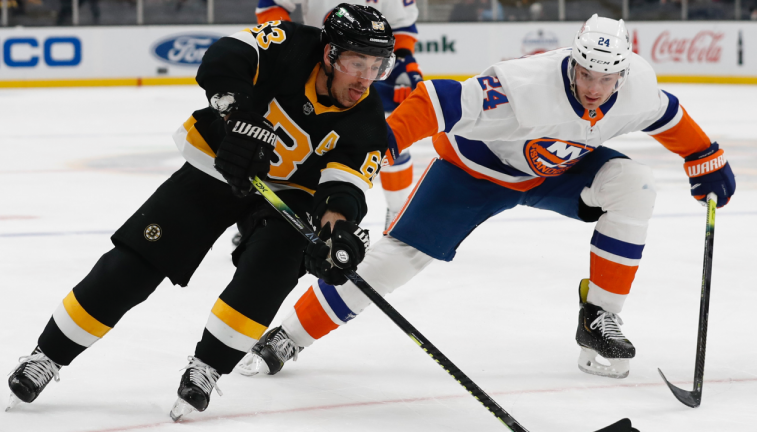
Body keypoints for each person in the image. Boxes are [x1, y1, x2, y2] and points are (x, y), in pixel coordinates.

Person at [237, 14, 736, 380]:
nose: (594, 88)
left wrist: (705, 157)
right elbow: (436, 99)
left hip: (557, 171)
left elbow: (666, 114)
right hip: (473, 171)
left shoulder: (634, 87)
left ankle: (598, 317)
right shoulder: (523, 86)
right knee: (395, 261)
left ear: (622, 74)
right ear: (573, 63)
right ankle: (289, 337)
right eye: (586, 74)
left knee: (636, 187)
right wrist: (376, 143)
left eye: (606, 79)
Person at [6, 4, 395, 420]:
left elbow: (343, 189)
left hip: (290, 197)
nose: (365, 79)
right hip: (219, 165)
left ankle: (206, 369)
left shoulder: (369, 121)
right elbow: (225, 56)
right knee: (136, 262)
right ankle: (47, 356)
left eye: (377, 66)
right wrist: (239, 116)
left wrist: (337, 233)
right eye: (357, 63)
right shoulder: (287, 42)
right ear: (329, 54)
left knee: (273, 268)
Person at [250, 0, 423, 230]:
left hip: (372, 67)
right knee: (292, 138)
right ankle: (260, 213)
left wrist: (404, 61)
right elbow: (271, 5)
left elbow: (402, 26)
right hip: (319, 66)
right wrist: (290, 45)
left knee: (389, 140)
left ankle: (398, 213)